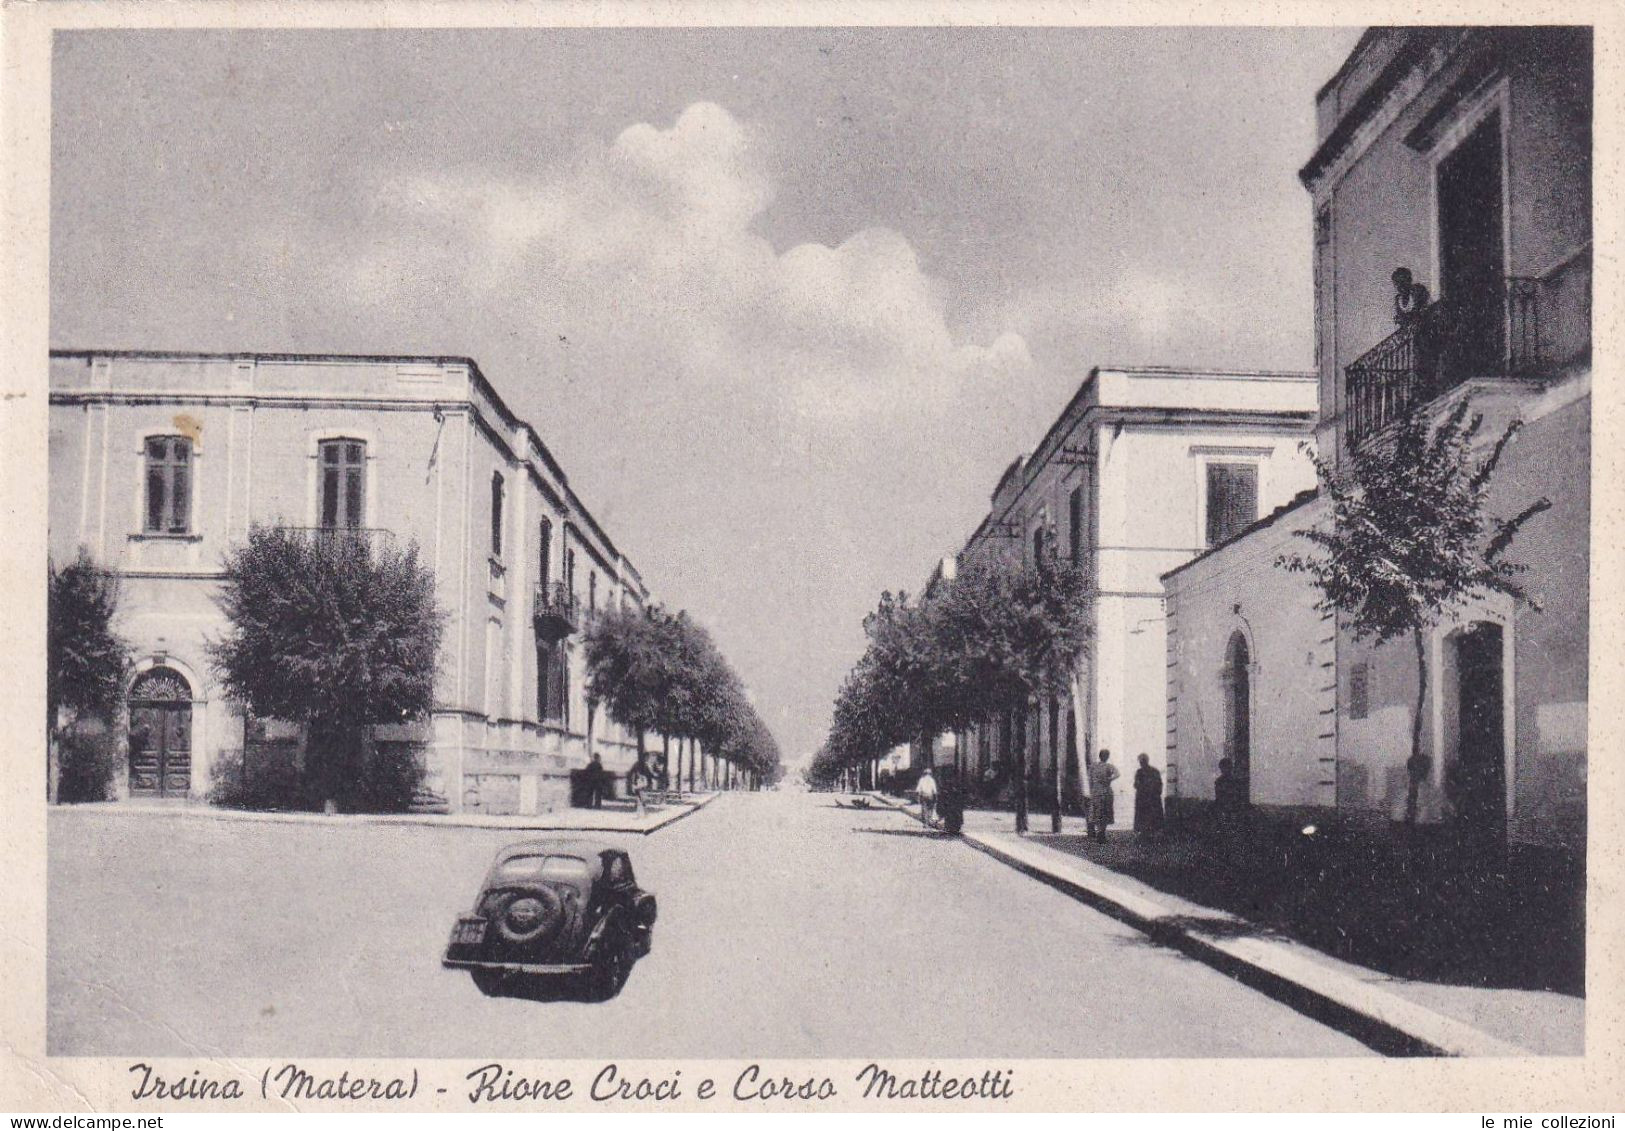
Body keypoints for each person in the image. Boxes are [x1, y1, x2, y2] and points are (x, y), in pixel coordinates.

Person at [1086, 750, 1119, 843]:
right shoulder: (1108, 766)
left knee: (1098, 811)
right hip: (1104, 790)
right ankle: (1101, 833)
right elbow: (1117, 774)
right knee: (1103, 811)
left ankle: (1100, 832)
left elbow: (1089, 778)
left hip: (1096, 790)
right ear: (1107, 757)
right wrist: (1109, 779)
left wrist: (1092, 788)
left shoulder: (1094, 766)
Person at [1133, 753, 1164, 836]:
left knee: (1145, 815)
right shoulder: (1154, 771)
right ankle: (1150, 832)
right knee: (1152, 815)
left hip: (1144, 798)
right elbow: (1159, 784)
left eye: (1141, 761)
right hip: (1152, 797)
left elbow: (1136, 785)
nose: (1141, 763)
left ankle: (1145, 833)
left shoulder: (1139, 772)